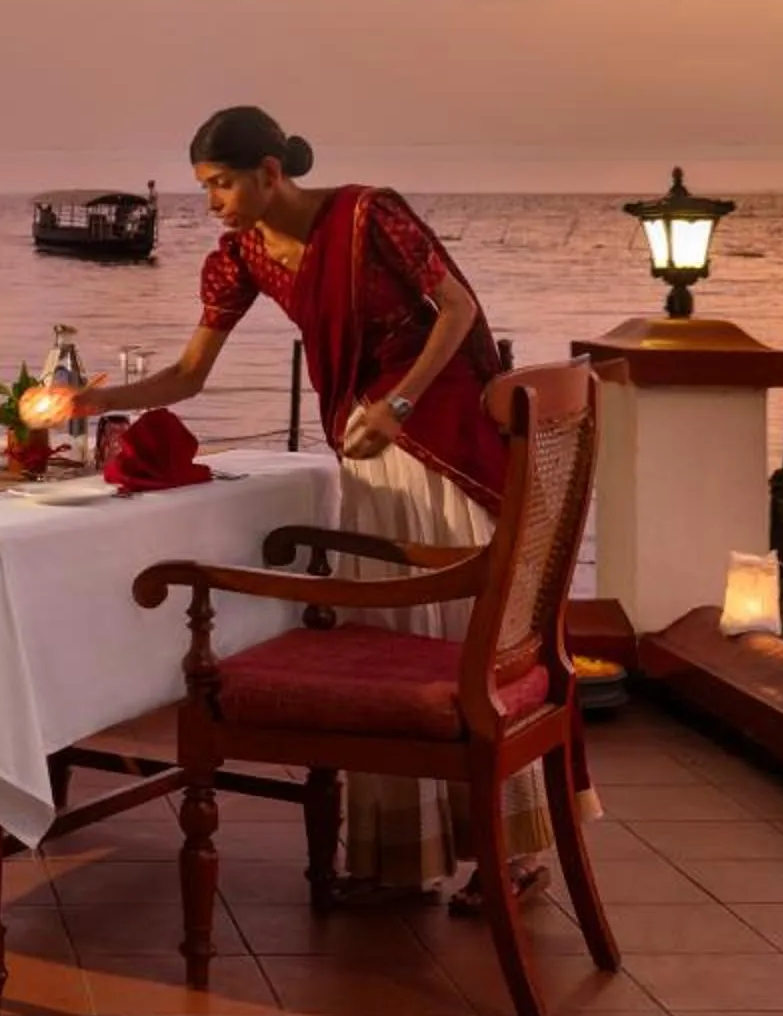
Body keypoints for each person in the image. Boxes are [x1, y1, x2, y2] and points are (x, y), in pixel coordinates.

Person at [67, 104, 556, 909]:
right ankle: (409, 852)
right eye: (204, 188)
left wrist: (398, 405)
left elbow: (458, 313)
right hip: (362, 444)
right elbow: (190, 376)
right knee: (392, 640)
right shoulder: (246, 257)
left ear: (269, 172)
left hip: (434, 436)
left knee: (459, 638)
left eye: (222, 183)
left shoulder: (369, 215)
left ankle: (509, 855)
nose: (213, 202)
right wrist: (93, 401)